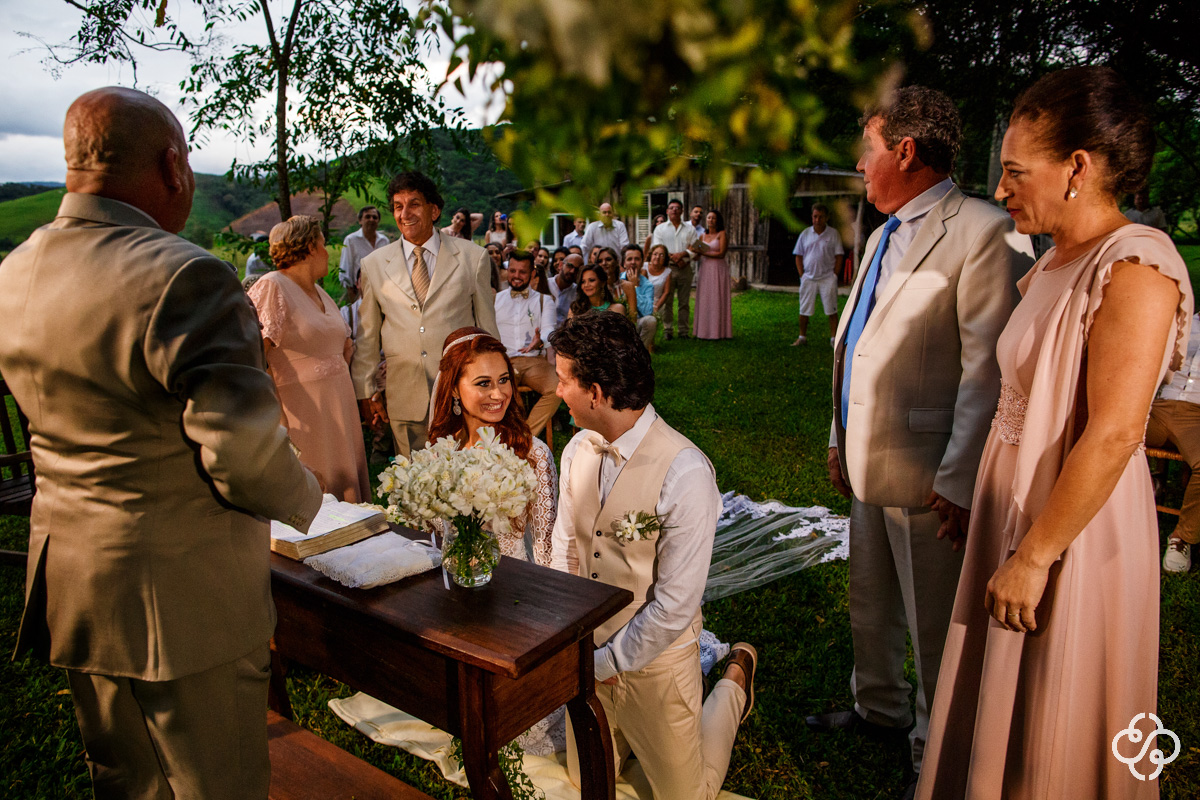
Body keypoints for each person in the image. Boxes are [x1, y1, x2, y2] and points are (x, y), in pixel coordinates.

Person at [0, 86, 323, 799]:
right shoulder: (184, 275)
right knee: (218, 783)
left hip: (74, 587)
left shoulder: (13, 272)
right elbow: (243, 458)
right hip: (183, 600)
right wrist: (313, 502)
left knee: (125, 781)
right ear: (174, 167)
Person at [918, 67, 1192, 800]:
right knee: (1001, 700)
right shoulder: (1047, 263)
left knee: (1057, 714)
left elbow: (1114, 433)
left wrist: (1035, 555)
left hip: (1073, 532)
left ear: (1078, 167)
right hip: (1013, 516)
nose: (1001, 191)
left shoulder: (1137, 264)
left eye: (1014, 173)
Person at [816, 85, 1034, 798]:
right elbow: (856, 343)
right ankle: (877, 706)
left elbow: (987, 368)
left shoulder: (985, 230)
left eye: (869, 148)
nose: (860, 161)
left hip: (930, 470)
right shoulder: (881, 232)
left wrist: (958, 480)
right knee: (868, 598)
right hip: (864, 454)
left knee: (935, 625)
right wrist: (837, 433)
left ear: (905, 151)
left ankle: (935, 751)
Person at [547, 311, 757, 800]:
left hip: (657, 668)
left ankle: (733, 682)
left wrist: (607, 662)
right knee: (586, 782)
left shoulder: (686, 473)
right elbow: (565, 548)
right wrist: (572, 639)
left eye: (563, 381)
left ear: (595, 392)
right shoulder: (578, 448)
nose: (558, 393)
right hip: (589, 656)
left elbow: (674, 606)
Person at [351, 171, 499, 458]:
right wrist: (367, 392)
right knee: (413, 484)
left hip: (460, 390)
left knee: (465, 480)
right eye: (397, 206)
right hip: (404, 392)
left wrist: (491, 386)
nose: (404, 213)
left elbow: (486, 330)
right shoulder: (374, 265)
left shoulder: (472, 257)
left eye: (414, 204)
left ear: (434, 210)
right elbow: (367, 335)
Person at [248, 215, 371, 503]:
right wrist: (276, 419)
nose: (328, 252)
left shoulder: (322, 294)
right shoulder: (272, 286)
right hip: (303, 414)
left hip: (339, 410)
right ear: (309, 247)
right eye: (324, 244)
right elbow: (254, 355)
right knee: (316, 497)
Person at [427, 328, 557, 565]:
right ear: (454, 388)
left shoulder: (532, 454)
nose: (498, 394)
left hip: (514, 587)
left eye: (504, 380)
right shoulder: (439, 454)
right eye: (484, 383)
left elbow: (546, 550)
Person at [1148, 313, 1200, 573]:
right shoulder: (1183, 321)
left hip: (1197, 416)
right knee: (1108, 428)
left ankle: (1183, 536)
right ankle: (1146, 484)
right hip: (1159, 405)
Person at [493, 251, 561, 437]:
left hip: (535, 362)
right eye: (512, 271)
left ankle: (525, 437)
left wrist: (541, 341)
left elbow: (549, 330)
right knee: (505, 393)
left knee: (557, 389)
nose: (516, 276)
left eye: (522, 272)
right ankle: (514, 437)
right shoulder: (495, 300)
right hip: (503, 362)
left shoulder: (544, 300)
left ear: (532, 274)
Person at [792, 203, 844, 346]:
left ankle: (834, 339)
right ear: (812, 217)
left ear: (826, 218)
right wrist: (802, 275)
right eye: (815, 216)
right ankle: (802, 337)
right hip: (808, 277)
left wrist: (835, 275)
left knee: (831, 308)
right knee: (804, 309)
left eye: (821, 217)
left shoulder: (833, 234)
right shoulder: (805, 234)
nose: (817, 220)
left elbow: (839, 255)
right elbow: (798, 255)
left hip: (827, 277)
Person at [652, 199, 700, 340]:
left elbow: (696, 247)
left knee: (684, 301)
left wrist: (683, 255)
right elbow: (658, 249)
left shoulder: (690, 229)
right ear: (667, 211)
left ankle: (684, 331)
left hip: (685, 267)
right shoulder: (660, 229)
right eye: (671, 208)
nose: (674, 210)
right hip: (667, 268)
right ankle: (668, 330)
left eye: (677, 208)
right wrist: (675, 258)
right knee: (667, 300)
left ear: (682, 211)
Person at [691, 209, 732, 340]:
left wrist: (703, 253)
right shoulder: (702, 235)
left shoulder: (722, 234)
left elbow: (721, 254)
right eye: (708, 218)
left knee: (717, 296)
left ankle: (719, 331)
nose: (710, 220)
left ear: (718, 220)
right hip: (705, 269)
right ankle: (703, 331)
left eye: (713, 218)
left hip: (718, 268)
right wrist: (694, 252)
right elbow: (697, 255)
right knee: (705, 297)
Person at [338, 205, 389, 303]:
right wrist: (353, 297)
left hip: (381, 291)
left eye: (375, 217)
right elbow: (346, 268)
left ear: (378, 221)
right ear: (360, 221)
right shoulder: (351, 240)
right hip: (359, 292)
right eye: (367, 217)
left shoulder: (384, 241)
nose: (371, 219)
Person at [621, 244, 659, 350]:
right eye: (629, 259)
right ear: (624, 263)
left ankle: (638, 353)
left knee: (651, 321)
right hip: (619, 322)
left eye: (637, 259)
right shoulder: (618, 281)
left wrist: (635, 287)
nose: (633, 262)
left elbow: (647, 312)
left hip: (636, 322)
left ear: (642, 263)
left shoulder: (647, 285)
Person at [645, 244, 674, 326]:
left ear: (665, 259)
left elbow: (666, 292)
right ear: (651, 255)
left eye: (661, 255)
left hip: (657, 302)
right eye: (655, 254)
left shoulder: (667, 272)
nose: (657, 257)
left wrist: (656, 307)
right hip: (642, 299)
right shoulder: (644, 267)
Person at [552, 252, 583, 324]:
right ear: (560, 265)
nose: (572, 271)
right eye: (570, 266)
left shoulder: (578, 293)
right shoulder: (545, 285)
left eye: (577, 269)